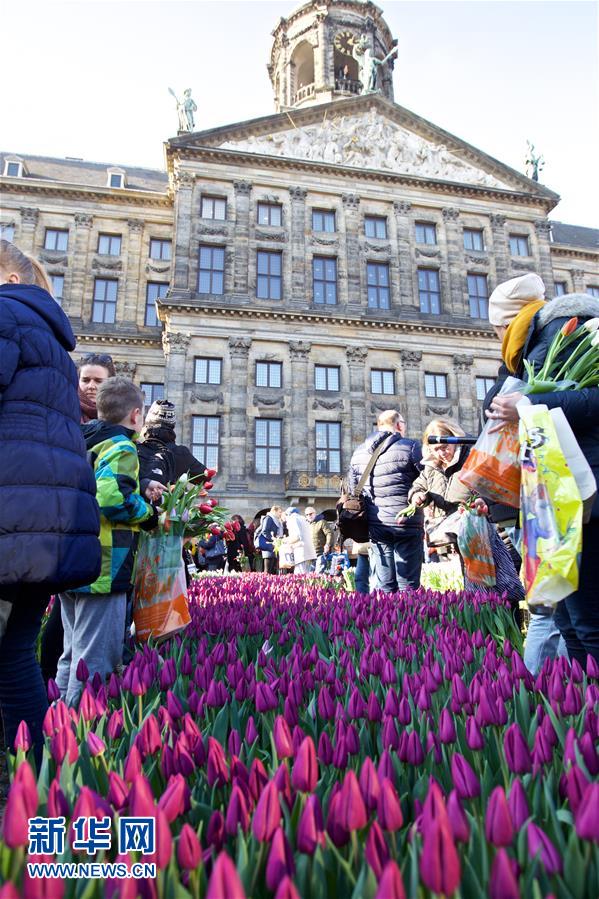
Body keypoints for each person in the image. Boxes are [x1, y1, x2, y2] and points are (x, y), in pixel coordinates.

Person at [0, 240, 101, 760]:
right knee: (14, 654)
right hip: (44, 526)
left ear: (8, 281)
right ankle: (39, 783)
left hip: (10, 520)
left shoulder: (4, 314)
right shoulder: (56, 347)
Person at [485, 275, 599, 667]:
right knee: (568, 620)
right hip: (554, 492)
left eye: (498, 327)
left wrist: (530, 401)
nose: (498, 336)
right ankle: (582, 715)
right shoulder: (532, 344)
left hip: (585, 489)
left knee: (586, 621)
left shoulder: (569, 330)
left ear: (512, 320)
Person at [56, 377, 156, 706]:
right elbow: (112, 499)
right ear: (135, 415)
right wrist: (148, 513)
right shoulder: (123, 446)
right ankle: (77, 734)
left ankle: (56, 723)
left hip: (71, 558)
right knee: (95, 661)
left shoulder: (83, 440)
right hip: (104, 566)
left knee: (71, 655)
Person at [40, 351, 117, 686]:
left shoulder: (117, 437)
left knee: (69, 632)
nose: (89, 387)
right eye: (85, 380)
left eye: (97, 381)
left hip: (91, 545)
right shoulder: (60, 419)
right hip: (54, 535)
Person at [409, 418, 524, 615]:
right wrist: (417, 496)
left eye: (445, 447)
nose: (441, 453)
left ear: (455, 439)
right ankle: (488, 629)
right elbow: (419, 486)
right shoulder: (431, 467)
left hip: (492, 529)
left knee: (503, 580)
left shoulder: (471, 457)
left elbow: (492, 487)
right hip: (465, 536)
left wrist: (480, 502)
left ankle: (509, 626)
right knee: (475, 583)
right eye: (435, 449)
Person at [348, 409, 424, 592]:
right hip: (406, 522)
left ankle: (386, 619)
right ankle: (409, 618)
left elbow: (352, 490)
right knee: (408, 586)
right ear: (399, 425)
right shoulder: (411, 447)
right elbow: (426, 479)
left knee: (384, 585)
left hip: (377, 525)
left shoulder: (358, 453)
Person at [137, 399, 207, 491]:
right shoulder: (181, 453)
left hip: (138, 504)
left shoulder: (134, 449)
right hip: (168, 504)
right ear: (172, 425)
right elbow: (205, 477)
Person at [78, 353, 117, 422]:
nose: (91, 386)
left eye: (99, 381)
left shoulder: (122, 418)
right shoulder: (63, 411)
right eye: (85, 380)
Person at [283, 507, 317, 574]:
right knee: (307, 575)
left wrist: (285, 541)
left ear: (288, 514)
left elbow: (297, 536)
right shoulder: (303, 519)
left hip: (301, 552)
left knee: (300, 576)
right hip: (309, 552)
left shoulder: (292, 519)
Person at [305, 506, 335, 571]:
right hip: (310, 555)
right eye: (307, 515)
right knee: (311, 576)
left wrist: (327, 544)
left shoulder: (321, 522)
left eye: (310, 514)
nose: (309, 516)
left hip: (321, 553)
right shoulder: (307, 525)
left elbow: (329, 533)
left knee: (319, 574)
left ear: (315, 513)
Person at [258, 505, 285, 574]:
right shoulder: (269, 518)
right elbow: (265, 531)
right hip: (268, 546)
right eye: (279, 512)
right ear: (274, 511)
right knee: (268, 570)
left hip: (273, 546)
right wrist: (274, 540)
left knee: (272, 569)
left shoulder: (276, 520)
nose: (280, 514)